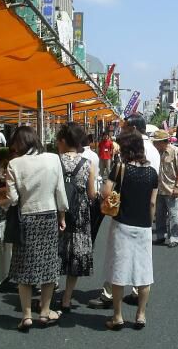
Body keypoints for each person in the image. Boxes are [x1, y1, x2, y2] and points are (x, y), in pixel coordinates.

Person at [88, 114, 160, 310]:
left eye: (126, 126)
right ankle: (138, 300)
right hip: (143, 218)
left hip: (124, 216)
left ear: (134, 128)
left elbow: (107, 191)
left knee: (117, 260)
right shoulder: (154, 151)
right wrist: (149, 220)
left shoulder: (125, 159)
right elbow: (153, 194)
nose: (124, 129)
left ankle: (110, 297)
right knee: (142, 264)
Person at [6, 126, 68, 331]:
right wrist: (62, 215)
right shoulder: (53, 158)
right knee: (49, 264)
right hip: (49, 215)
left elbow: (13, 199)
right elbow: (60, 190)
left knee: (24, 266)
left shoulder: (14, 164)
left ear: (20, 143)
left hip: (26, 218)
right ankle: (45, 310)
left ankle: (26, 316)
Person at [101, 129, 159, 330]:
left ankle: (117, 316)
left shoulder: (120, 167)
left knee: (119, 270)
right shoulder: (152, 172)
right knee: (143, 272)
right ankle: (141, 315)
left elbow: (105, 192)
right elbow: (152, 203)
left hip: (122, 224)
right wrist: (149, 224)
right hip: (143, 226)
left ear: (126, 149)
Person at [57, 123, 97, 312]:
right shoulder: (88, 164)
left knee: (56, 250)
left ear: (63, 141)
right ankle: (66, 298)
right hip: (79, 211)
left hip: (58, 209)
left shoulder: (56, 161)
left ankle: (47, 292)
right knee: (75, 253)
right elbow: (92, 194)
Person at [153, 130, 178, 248]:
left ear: (163, 142)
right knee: (159, 214)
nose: (155, 144)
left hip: (171, 188)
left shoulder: (175, 151)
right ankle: (161, 236)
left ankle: (175, 238)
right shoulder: (156, 152)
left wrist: (177, 186)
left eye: (157, 142)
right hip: (159, 187)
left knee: (173, 214)